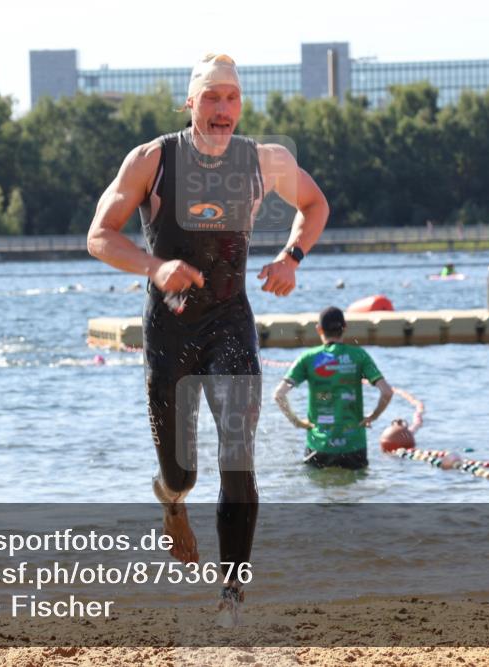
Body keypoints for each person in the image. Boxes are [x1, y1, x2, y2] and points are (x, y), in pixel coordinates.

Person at [86, 53, 329, 623]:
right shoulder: (152, 160)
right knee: (182, 473)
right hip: (168, 329)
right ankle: (171, 502)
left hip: (230, 323)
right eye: (212, 97)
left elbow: (315, 204)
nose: (222, 109)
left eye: (232, 98)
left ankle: (232, 596)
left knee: (238, 457)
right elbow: (99, 236)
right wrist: (154, 266)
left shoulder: (265, 160)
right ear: (190, 103)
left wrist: (291, 257)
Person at [274, 306, 393, 469]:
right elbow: (387, 392)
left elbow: (279, 394)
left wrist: (297, 422)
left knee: (316, 483)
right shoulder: (359, 355)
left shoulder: (308, 358)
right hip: (354, 445)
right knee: (357, 484)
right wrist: (373, 416)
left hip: (319, 446)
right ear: (345, 328)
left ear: (319, 329)